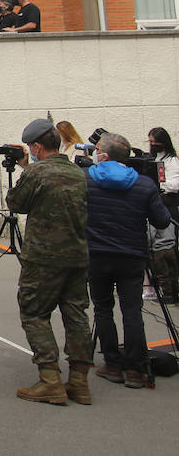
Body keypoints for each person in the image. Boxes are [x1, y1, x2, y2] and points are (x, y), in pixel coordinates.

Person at [4, 117, 89, 405]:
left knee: (34, 312)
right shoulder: (76, 172)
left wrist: (22, 171)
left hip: (44, 258)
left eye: (31, 147)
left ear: (37, 146)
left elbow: (17, 203)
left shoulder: (36, 174)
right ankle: (79, 381)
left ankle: (50, 379)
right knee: (76, 314)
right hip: (77, 255)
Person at [86, 132, 171, 390]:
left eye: (97, 149)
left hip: (97, 254)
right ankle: (135, 370)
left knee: (102, 309)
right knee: (132, 310)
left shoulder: (86, 180)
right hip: (132, 256)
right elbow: (162, 221)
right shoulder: (144, 185)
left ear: (104, 155)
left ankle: (112, 364)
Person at [149, 127, 179, 302]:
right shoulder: (153, 158)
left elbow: (175, 184)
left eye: (155, 142)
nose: (153, 145)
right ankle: (162, 288)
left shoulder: (172, 161)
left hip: (167, 204)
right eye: (150, 142)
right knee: (155, 247)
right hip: (154, 204)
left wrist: (159, 184)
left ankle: (171, 291)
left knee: (165, 247)